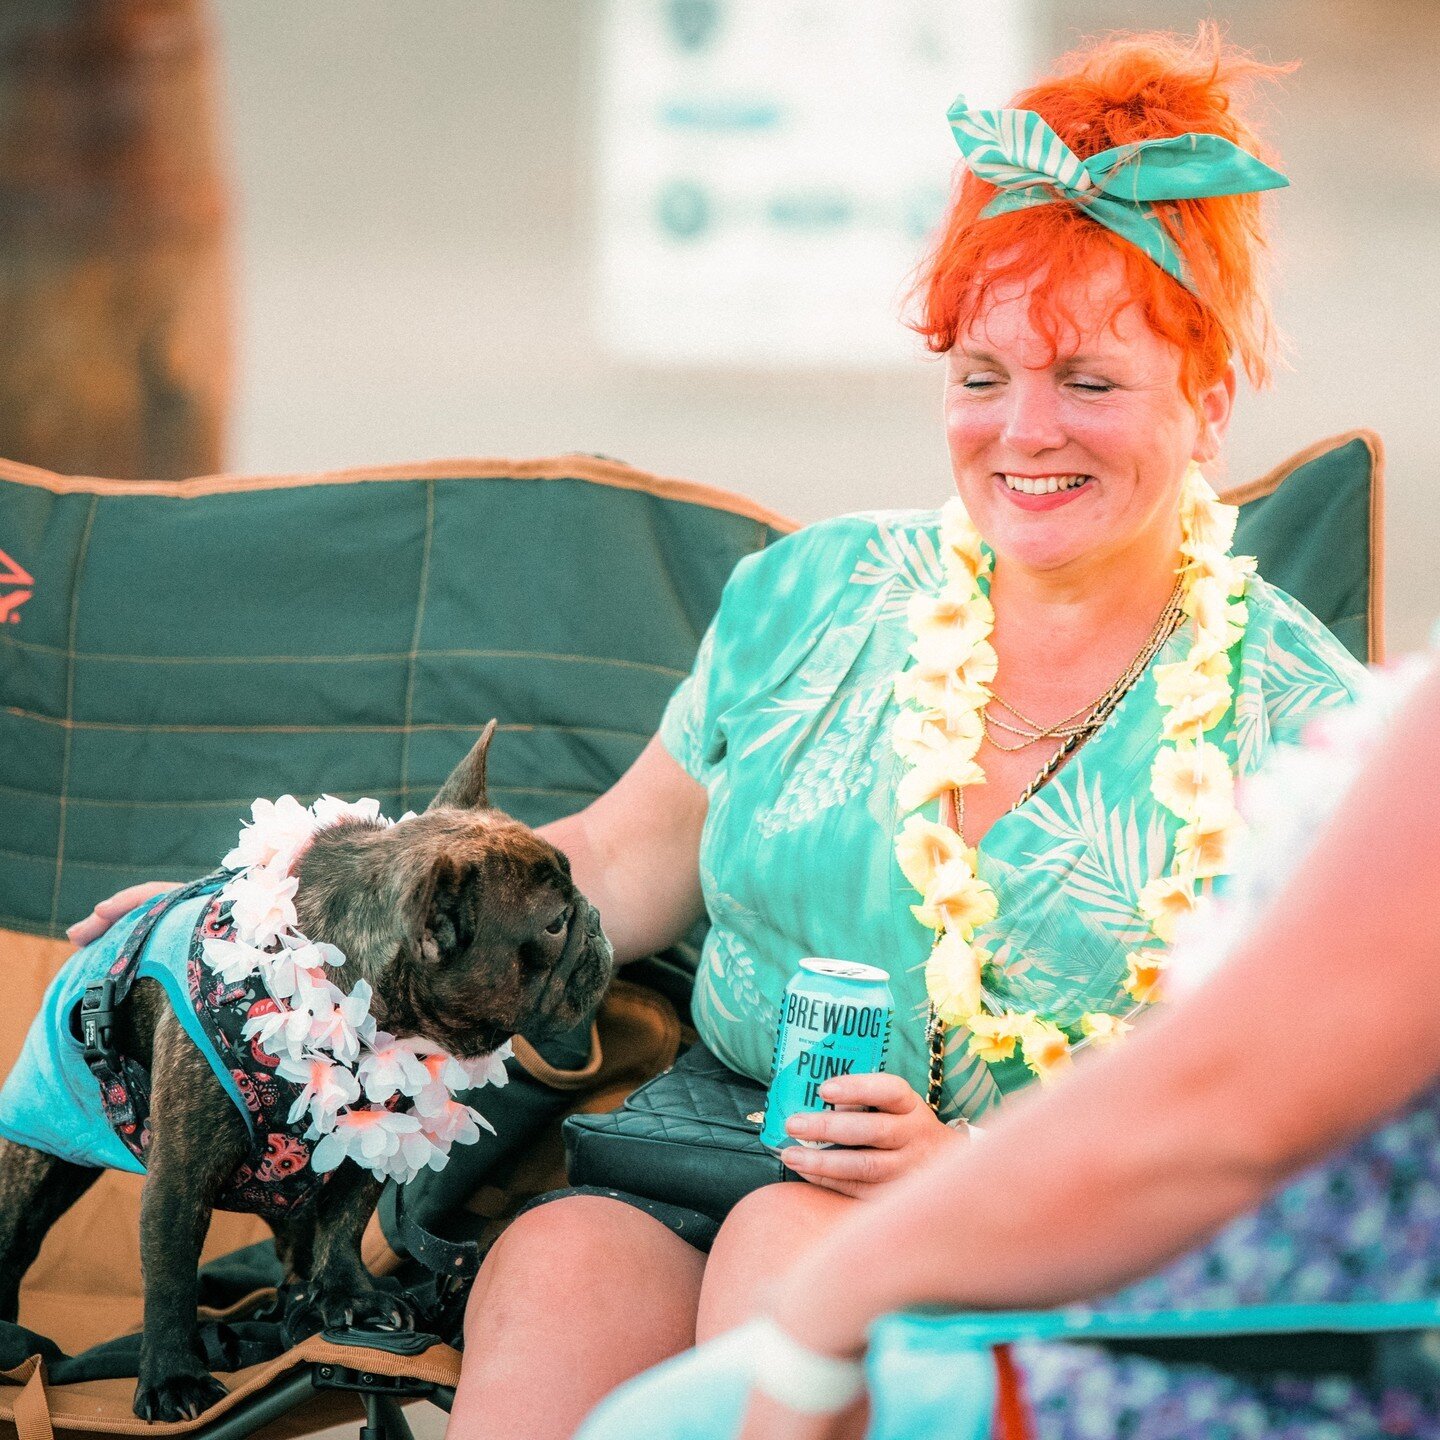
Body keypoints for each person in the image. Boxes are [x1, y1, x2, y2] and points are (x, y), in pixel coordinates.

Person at [69, 28, 1366, 1440]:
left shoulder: (1298, 732)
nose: (1022, 432)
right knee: (558, 1269)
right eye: (981, 374)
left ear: (1213, 394)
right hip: (707, 1147)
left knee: (787, 1260)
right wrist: (273, 926)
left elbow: (1294, 1129)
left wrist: (976, 1166)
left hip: (1050, 1248)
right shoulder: (810, 599)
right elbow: (609, 865)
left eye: (1090, 383)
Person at [573, 648, 1440, 1440]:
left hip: (1237, 1349)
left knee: (675, 1423)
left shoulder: (1292, 682)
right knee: (584, 1293)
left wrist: (838, 1294)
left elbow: (1228, 1102)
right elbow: (611, 858)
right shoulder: (828, 613)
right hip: (1175, 1294)